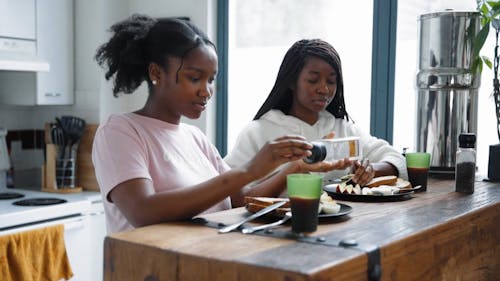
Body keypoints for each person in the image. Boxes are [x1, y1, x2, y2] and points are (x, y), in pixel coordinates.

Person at [93, 15, 349, 233]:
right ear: (156, 73)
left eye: (211, 79)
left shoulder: (195, 138)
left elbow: (240, 200)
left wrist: (293, 168)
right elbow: (142, 211)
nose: (206, 91)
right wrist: (250, 170)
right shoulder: (120, 131)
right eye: (195, 78)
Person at [224, 39, 407, 186]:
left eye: (331, 81)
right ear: (291, 82)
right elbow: (228, 189)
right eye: (313, 80)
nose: (324, 89)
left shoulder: (344, 130)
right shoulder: (258, 132)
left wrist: (371, 170)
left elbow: (397, 160)